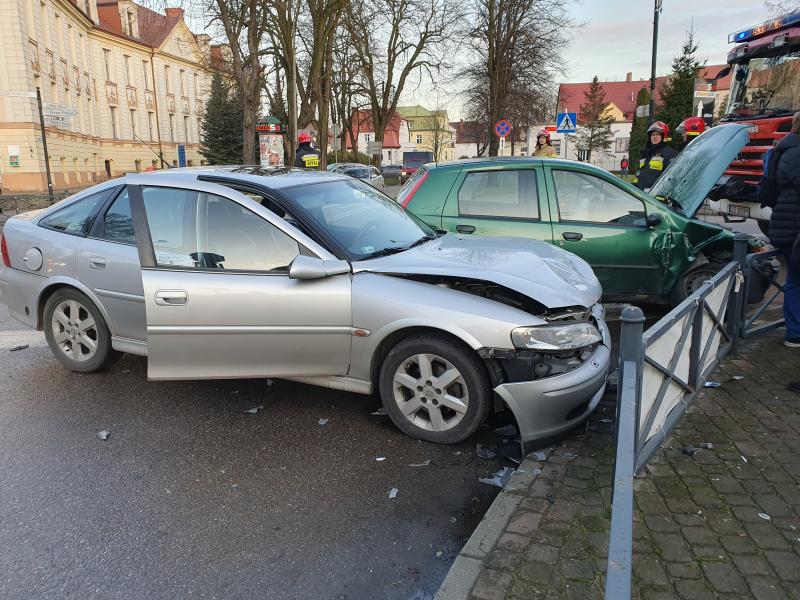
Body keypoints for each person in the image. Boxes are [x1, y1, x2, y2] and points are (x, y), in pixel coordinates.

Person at [767, 111, 800, 348]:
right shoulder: (796, 153)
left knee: (794, 279)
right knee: (796, 281)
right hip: (794, 225)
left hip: (784, 222)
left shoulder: (782, 150)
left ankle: (794, 331)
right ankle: (795, 332)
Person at [635, 121, 677, 191]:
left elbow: (670, 177)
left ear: (663, 136)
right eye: (653, 135)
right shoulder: (647, 153)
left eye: (658, 134)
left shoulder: (669, 153)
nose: (654, 137)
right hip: (640, 192)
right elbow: (639, 175)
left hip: (655, 195)